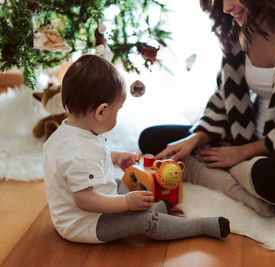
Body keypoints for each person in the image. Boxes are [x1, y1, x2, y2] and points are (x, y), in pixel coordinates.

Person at [139, 0, 275, 216]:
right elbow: (224, 97)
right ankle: (239, 181)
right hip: (240, 135)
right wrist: (195, 139)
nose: (226, 7)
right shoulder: (237, 28)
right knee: (151, 140)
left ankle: (220, 171)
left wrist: (241, 153)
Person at [43, 54, 230, 244]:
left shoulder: (71, 131)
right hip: (86, 224)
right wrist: (126, 203)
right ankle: (199, 226)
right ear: (101, 111)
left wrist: (115, 158)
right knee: (146, 221)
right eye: (118, 110)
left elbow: (91, 159)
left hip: (88, 208)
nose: (118, 114)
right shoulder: (78, 152)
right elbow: (84, 200)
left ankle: (150, 207)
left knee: (120, 182)